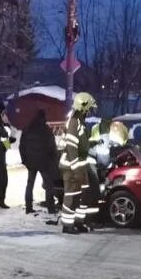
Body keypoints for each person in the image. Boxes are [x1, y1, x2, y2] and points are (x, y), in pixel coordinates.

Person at [59, 92, 98, 234]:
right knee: (72, 195)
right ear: (84, 108)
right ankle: (67, 225)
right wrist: (75, 168)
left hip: (81, 164)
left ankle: (78, 222)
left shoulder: (80, 121)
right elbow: (71, 146)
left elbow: (81, 143)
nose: (90, 111)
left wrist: (92, 143)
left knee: (83, 195)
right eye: (89, 108)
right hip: (72, 166)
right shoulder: (74, 121)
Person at [19, 109, 60, 215]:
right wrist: (54, 158)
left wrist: (24, 160)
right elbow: (52, 145)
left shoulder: (27, 129)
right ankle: (51, 208)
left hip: (31, 162)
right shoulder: (45, 129)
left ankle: (28, 207)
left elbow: (21, 146)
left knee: (30, 184)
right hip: (43, 162)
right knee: (48, 185)